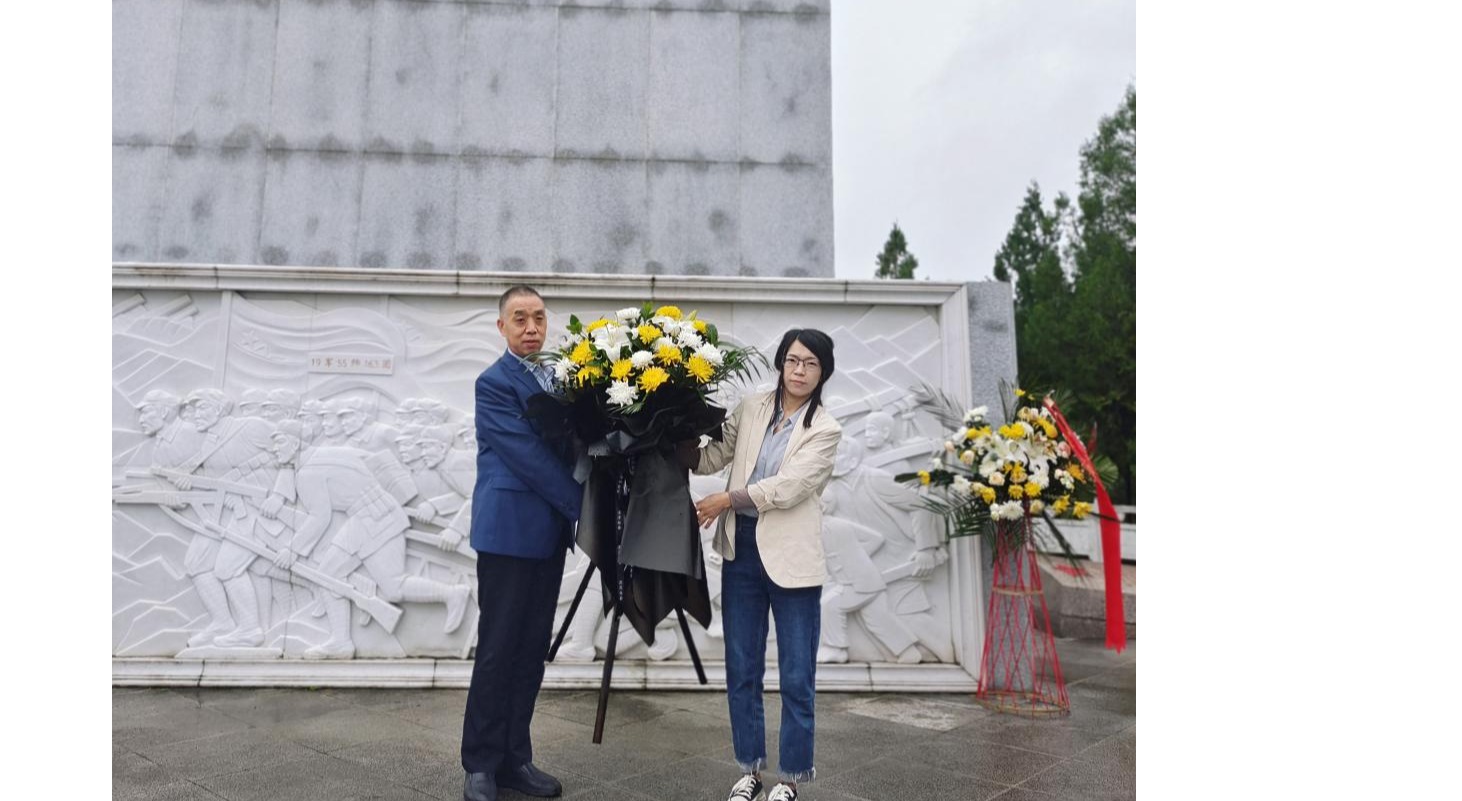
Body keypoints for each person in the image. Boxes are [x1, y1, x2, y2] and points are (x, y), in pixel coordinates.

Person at [693, 329, 842, 801]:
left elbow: (789, 487)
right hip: (742, 551)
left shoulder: (826, 429)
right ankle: (749, 771)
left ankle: (790, 778)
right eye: (793, 360)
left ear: (823, 372)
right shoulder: (752, 408)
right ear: (781, 363)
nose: (799, 370)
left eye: (811, 364)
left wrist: (726, 499)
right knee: (742, 668)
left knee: (796, 676)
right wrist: (666, 424)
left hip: (792, 559)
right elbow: (711, 458)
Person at [461, 285, 582, 801]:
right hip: (508, 535)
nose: (531, 328)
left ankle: (515, 759)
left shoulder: (562, 380)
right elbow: (528, 457)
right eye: (519, 319)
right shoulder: (493, 383)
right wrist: (585, 507)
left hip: (548, 536)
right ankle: (480, 765)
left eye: (538, 318)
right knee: (498, 649)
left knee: (532, 651)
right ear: (502, 327)